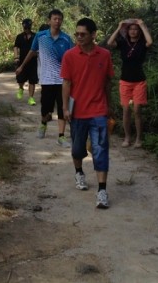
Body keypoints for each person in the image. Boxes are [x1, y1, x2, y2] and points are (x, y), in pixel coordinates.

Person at [61, 18, 114, 209]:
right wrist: (65, 108)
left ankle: (102, 190)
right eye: (77, 34)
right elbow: (66, 83)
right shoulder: (69, 56)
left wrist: (109, 105)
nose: (79, 37)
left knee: (100, 149)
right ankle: (79, 172)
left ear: (93, 35)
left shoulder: (105, 55)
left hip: (98, 110)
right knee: (77, 150)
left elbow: (108, 82)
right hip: (77, 112)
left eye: (83, 34)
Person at [15, 9, 73, 147]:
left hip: (62, 80)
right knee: (46, 109)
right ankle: (43, 123)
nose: (57, 21)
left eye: (59, 19)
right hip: (46, 79)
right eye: (54, 19)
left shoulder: (66, 39)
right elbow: (32, 51)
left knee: (61, 108)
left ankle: (61, 136)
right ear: (49, 20)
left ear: (62, 21)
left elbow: (73, 57)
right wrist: (22, 66)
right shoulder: (40, 37)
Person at [106, 18, 153, 148]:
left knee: (137, 110)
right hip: (125, 81)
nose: (133, 31)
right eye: (131, 29)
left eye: (135, 29)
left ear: (139, 31)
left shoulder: (143, 43)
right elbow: (110, 42)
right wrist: (119, 26)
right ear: (127, 31)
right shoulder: (123, 43)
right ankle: (127, 138)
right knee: (126, 110)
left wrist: (142, 25)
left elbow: (150, 41)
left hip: (139, 81)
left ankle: (139, 139)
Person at [13, 18, 38, 105]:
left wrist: (37, 53)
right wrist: (16, 57)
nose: (26, 30)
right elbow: (16, 47)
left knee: (32, 81)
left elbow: (39, 48)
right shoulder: (19, 37)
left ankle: (31, 98)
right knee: (20, 78)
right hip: (22, 61)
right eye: (25, 28)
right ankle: (21, 88)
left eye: (28, 28)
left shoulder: (35, 36)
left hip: (33, 62)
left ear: (30, 27)